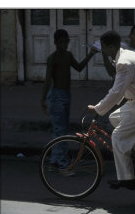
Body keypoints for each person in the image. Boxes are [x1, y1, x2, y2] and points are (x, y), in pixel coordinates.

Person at [87, 31, 135, 190]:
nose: (103, 51)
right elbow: (121, 89)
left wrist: (98, 108)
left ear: (111, 47)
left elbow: (116, 92)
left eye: (104, 48)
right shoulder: (128, 55)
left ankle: (127, 178)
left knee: (117, 137)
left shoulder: (124, 63)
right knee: (114, 117)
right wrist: (106, 107)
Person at [41, 29, 98, 169]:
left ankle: (55, 160)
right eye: (60, 42)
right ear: (55, 43)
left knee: (60, 130)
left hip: (66, 95)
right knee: (60, 131)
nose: (63, 45)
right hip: (56, 96)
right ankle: (62, 164)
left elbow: (79, 67)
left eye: (66, 42)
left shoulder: (68, 55)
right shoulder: (52, 58)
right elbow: (47, 81)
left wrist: (90, 54)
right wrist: (43, 100)